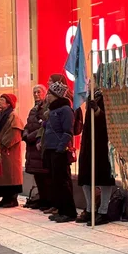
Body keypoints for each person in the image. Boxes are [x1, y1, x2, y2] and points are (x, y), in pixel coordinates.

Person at [77, 88, 116, 225]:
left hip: (103, 141)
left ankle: (103, 210)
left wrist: (98, 111)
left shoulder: (109, 95)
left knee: (104, 175)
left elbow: (112, 118)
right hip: (89, 140)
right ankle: (90, 208)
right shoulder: (91, 96)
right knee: (85, 175)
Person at [43, 81, 80, 223]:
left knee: (63, 182)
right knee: (55, 182)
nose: (47, 96)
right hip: (51, 149)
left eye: (50, 94)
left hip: (60, 151)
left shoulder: (65, 110)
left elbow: (68, 132)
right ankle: (60, 209)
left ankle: (69, 212)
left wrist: (60, 148)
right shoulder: (52, 110)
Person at [0, 93, 24, 208]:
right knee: (3, 176)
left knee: (10, 175)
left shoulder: (13, 116)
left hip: (9, 151)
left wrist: (3, 144)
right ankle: (5, 198)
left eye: (2, 100)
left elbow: (14, 133)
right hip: (0, 150)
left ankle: (11, 199)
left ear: (9, 103)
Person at [23, 85, 50, 209]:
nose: (36, 94)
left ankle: (46, 201)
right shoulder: (33, 109)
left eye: (39, 92)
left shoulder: (46, 108)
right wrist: (25, 134)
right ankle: (42, 199)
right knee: (38, 177)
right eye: (34, 92)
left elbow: (43, 127)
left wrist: (31, 137)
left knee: (44, 178)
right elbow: (28, 125)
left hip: (39, 145)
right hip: (32, 148)